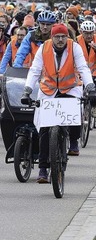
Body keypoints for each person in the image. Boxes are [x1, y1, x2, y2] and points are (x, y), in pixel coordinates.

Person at [21, 23, 95, 183]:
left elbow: (83, 67)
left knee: (76, 111)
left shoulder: (74, 47)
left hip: (70, 88)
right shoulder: (44, 48)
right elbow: (35, 70)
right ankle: (42, 168)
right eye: (57, 37)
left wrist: (90, 86)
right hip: (48, 90)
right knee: (44, 129)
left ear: (67, 37)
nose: (60, 40)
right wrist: (27, 89)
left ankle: (73, 140)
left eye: (63, 36)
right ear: (52, 37)